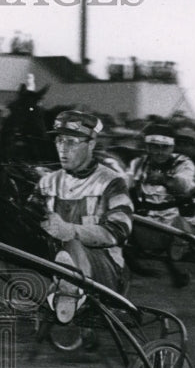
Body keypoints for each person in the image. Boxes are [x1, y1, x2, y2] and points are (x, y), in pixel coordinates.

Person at [31, 110, 134, 324]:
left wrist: (71, 230)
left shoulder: (111, 182)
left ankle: (66, 292)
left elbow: (120, 230)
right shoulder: (47, 182)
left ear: (91, 143)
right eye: (59, 140)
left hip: (106, 272)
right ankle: (63, 288)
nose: (62, 148)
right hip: (54, 265)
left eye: (71, 141)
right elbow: (27, 222)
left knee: (72, 245)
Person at [126, 122, 195, 287]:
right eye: (155, 147)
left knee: (189, 221)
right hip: (146, 220)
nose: (160, 152)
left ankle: (178, 254)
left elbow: (185, 185)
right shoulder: (138, 163)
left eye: (164, 147)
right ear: (148, 147)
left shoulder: (183, 162)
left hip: (177, 217)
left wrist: (165, 180)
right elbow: (125, 183)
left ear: (171, 148)